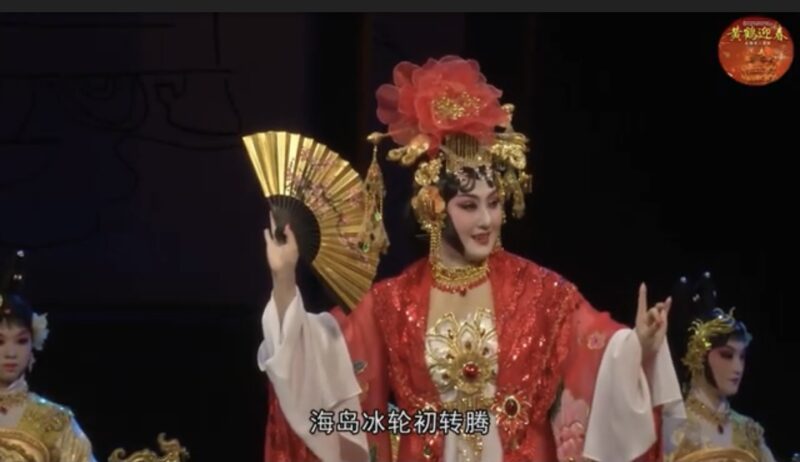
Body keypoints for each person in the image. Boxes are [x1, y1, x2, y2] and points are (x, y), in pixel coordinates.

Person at [257, 55, 684, 462]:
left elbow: (601, 353)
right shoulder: (394, 303)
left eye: (494, 203)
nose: (486, 220)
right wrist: (284, 277)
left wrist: (639, 347)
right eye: (468, 206)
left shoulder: (541, 293)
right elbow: (320, 363)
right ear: (433, 208)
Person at [663, 273, 776, 462]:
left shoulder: (749, 433)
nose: (738, 368)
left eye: (742, 357)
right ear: (699, 356)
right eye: (727, 355)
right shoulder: (675, 428)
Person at [0, 250, 96, 462]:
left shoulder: (54, 421)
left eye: (21, 341)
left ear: (33, 344)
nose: (11, 353)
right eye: (0, 342)